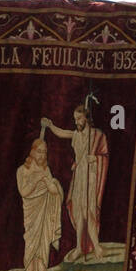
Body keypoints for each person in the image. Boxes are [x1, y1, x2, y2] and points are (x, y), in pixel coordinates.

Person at [41, 104, 108, 262]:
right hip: (78, 176)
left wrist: (96, 159)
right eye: (75, 119)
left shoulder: (97, 135)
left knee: (88, 211)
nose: (76, 121)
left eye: (79, 118)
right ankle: (79, 247)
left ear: (86, 117)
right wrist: (50, 125)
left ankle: (96, 245)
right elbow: (62, 133)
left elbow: (104, 155)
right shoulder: (76, 135)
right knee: (78, 212)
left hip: (90, 177)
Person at [16, 137, 64, 271]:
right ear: (33, 151)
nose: (42, 155)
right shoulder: (22, 170)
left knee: (43, 248)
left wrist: (54, 185)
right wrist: (37, 179)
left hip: (44, 215)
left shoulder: (46, 170)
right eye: (39, 151)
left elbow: (53, 191)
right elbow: (23, 191)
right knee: (31, 248)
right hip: (31, 216)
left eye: (45, 152)